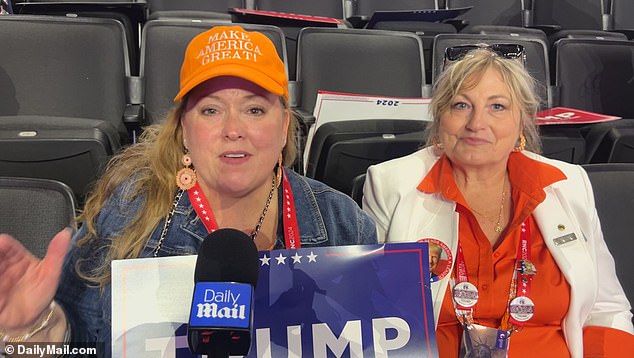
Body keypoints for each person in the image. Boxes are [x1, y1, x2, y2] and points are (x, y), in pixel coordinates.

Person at [0, 25, 377, 356]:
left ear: (283, 127)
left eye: (255, 110)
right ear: (183, 129)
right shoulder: (126, 213)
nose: (233, 129)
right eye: (211, 110)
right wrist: (35, 331)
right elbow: (80, 345)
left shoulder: (345, 224)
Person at [362, 44, 634, 357]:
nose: (477, 123)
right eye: (461, 105)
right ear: (439, 118)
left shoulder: (570, 185)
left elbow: (606, 310)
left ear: (522, 122)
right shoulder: (390, 185)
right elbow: (373, 317)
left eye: (498, 107)